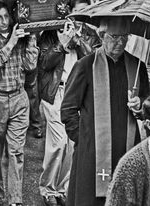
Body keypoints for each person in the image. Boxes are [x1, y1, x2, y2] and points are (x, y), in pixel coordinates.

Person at [60, 17, 150, 206]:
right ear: (102, 35)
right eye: (114, 37)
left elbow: (149, 106)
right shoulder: (86, 65)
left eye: (124, 37)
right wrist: (84, 139)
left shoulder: (138, 66)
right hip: (92, 152)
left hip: (126, 150)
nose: (120, 42)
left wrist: (140, 104)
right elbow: (68, 109)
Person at [0, 0, 39, 206]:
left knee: (16, 151)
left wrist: (31, 39)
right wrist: (11, 42)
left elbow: (30, 66)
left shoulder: (20, 36)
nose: (4, 21)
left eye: (7, 16)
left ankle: (15, 198)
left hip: (18, 97)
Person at [37, 19, 93, 206]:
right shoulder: (49, 34)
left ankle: (61, 189)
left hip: (76, 93)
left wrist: (78, 41)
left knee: (71, 143)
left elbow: (93, 60)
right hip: (55, 92)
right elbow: (44, 63)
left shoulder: (85, 34)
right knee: (59, 142)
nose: (74, 23)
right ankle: (47, 188)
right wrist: (61, 43)